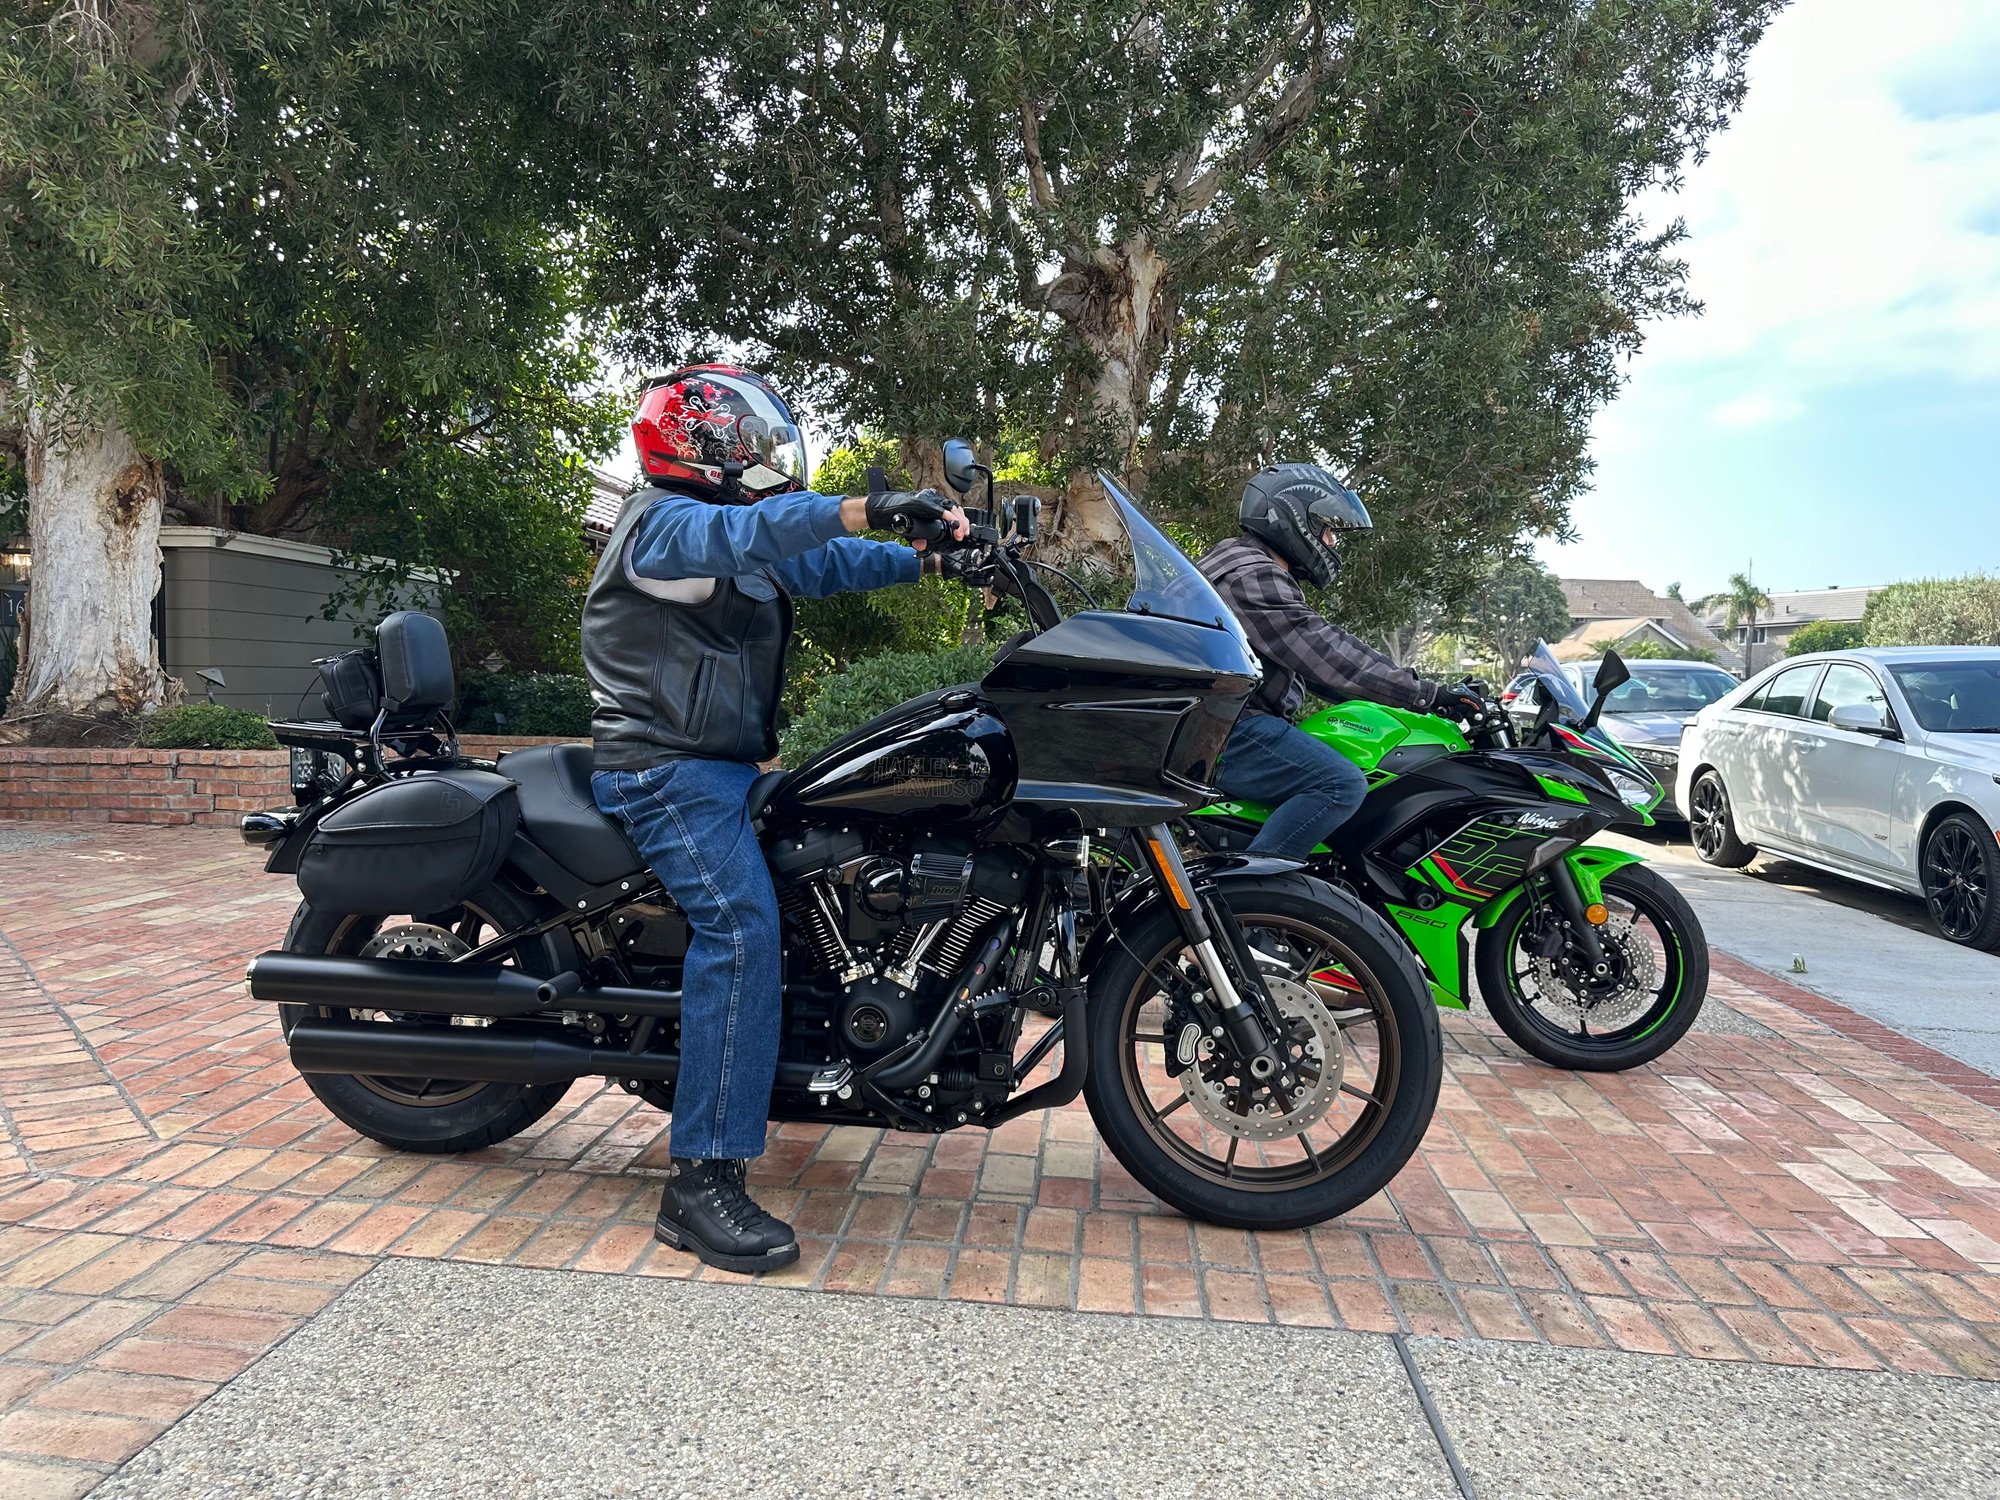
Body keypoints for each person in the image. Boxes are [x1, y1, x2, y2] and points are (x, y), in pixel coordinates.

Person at [583, 365, 965, 1273]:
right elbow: (757, 531)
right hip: (663, 769)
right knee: (741, 929)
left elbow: (821, 561)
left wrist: (933, 558)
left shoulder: (728, 536)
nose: (762, 459)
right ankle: (700, 1182)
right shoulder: (661, 525)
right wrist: (865, 506)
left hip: (717, 767)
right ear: (701, 446)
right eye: (748, 444)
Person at [1197, 464, 1485, 860]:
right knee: (1340, 784)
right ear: (1293, 518)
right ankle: (1255, 888)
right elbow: (1329, 652)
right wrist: (1425, 694)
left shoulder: (1234, 562)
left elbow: (1318, 672)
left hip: (1211, 722)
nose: (1332, 542)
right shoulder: (1252, 576)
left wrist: (1415, 697)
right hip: (1226, 729)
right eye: (1327, 529)